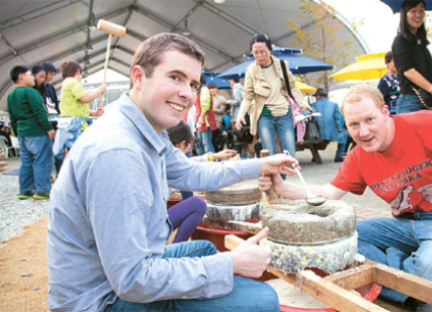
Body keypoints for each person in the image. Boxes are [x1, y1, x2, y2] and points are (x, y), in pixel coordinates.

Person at [47, 32, 297, 312]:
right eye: (175, 77)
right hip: (101, 300)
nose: (187, 93)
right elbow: (132, 281)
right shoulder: (118, 153)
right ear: (139, 77)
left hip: (118, 274)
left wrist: (262, 164)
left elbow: (194, 174)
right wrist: (231, 263)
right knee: (263, 300)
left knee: (203, 250)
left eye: (192, 83)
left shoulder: (141, 127)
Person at [259, 85, 432, 306]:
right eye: (354, 125)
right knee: (337, 240)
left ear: (385, 113)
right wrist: (281, 187)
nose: (363, 132)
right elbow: (330, 193)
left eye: (370, 120)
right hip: (406, 225)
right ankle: (412, 279)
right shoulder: (359, 155)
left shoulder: (424, 123)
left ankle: (403, 278)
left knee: (431, 270)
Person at [235, 33, 311, 157]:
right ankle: (277, 177)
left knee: (290, 154)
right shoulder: (251, 69)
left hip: (283, 113)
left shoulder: (282, 65)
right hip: (264, 116)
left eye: (263, 52)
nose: (259, 56)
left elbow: (292, 87)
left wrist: (303, 103)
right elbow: (247, 96)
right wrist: (240, 114)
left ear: (270, 50)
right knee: (270, 155)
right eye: (255, 52)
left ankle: (281, 177)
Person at [7, 65, 55, 201]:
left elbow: (12, 117)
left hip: (22, 134)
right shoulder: (31, 93)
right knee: (42, 160)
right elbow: (40, 113)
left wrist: (16, 132)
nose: (33, 78)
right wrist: (49, 129)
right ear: (21, 76)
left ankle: (25, 190)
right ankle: (43, 190)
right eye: (29, 75)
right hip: (37, 132)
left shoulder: (11, 96)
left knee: (26, 162)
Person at [392, 0, 432, 114]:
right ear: (404, 14)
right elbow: (409, 72)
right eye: (413, 11)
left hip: (427, 101)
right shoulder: (400, 40)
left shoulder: (421, 43)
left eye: (421, 11)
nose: (418, 15)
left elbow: (427, 72)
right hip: (410, 101)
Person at [52, 61, 106, 164]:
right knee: (79, 153)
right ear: (77, 72)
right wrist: (100, 90)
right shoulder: (73, 82)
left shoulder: (66, 84)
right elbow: (85, 98)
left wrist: (94, 113)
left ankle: (62, 170)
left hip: (65, 122)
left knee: (58, 151)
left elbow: (78, 108)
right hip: (74, 123)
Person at [310, 88, 347, 162]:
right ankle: (339, 155)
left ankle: (314, 156)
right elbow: (338, 119)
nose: (315, 98)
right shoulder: (334, 105)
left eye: (316, 96)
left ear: (319, 96)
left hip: (316, 135)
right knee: (345, 135)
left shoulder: (312, 105)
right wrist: (340, 129)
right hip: (331, 134)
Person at [195, 75, 217, 154]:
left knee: (207, 144)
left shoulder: (204, 90)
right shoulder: (199, 91)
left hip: (205, 121)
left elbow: (205, 106)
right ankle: (202, 162)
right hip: (200, 121)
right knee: (199, 144)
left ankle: (213, 163)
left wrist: (201, 117)